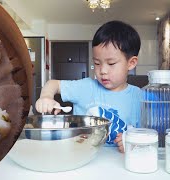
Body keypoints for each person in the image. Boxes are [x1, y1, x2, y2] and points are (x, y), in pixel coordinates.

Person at [35, 20, 142, 153]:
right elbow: (53, 84)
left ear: (131, 63)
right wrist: (46, 97)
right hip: (81, 159)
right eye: (97, 63)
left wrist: (133, 143)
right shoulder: (86, 87)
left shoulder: (140, 98)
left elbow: (147, 135)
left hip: (118, 165)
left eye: (111, 63)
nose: (102, 70)